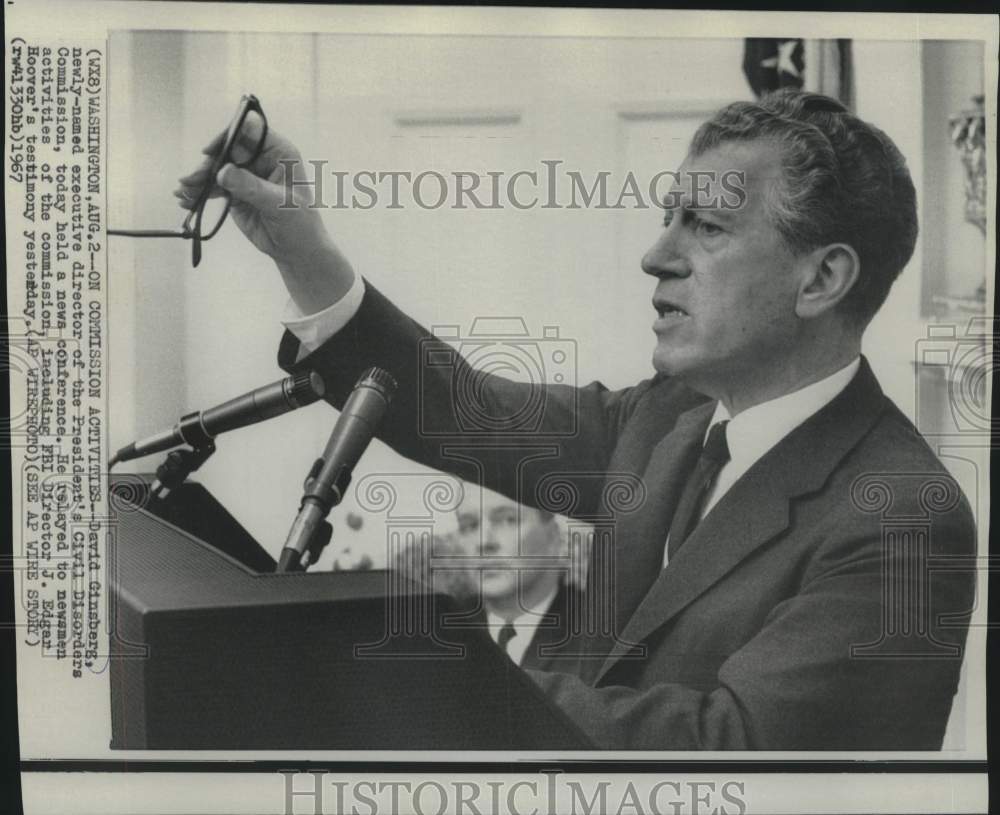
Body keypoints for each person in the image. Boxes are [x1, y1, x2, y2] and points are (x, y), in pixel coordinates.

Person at [176, 89, 976, 749]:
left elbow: (738, 749)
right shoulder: (670, 416)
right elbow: (465, 411)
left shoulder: (903, 517)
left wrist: (425, 679)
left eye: (706, 226)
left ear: (822, 278)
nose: (656, 256)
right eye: (669, 217)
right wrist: (300, 246)